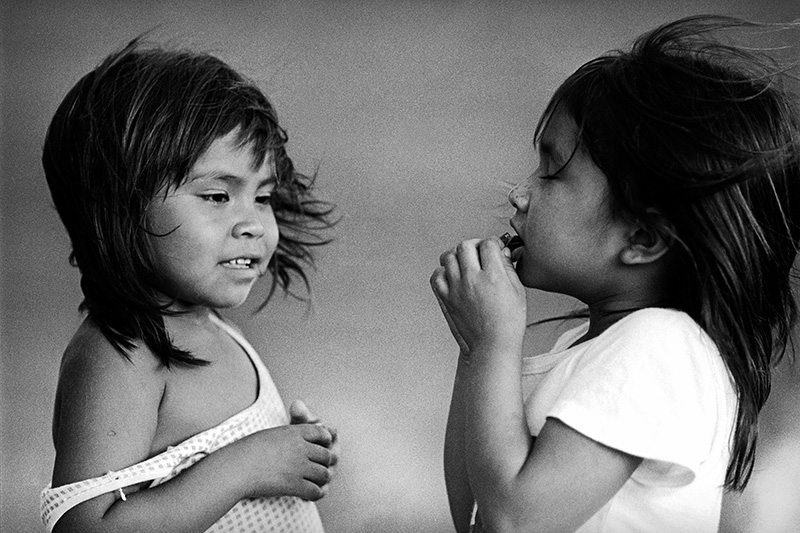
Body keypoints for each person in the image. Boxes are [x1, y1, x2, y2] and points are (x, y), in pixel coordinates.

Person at [430, 15, 800, 533]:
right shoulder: (591, 347)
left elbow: (515, 521)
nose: (519, 193)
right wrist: (474, 349)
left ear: (642, 238)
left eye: (552, 172)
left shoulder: (660, 346)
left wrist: (494, 343)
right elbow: (473, 514)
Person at [39, 37, 338, 533]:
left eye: (263, 197)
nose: (253, 224)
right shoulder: (122, 354)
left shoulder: (209, 326)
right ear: (121, 207)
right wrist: (247, 466)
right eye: (218, 196)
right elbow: (86, 526)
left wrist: (293, 453)